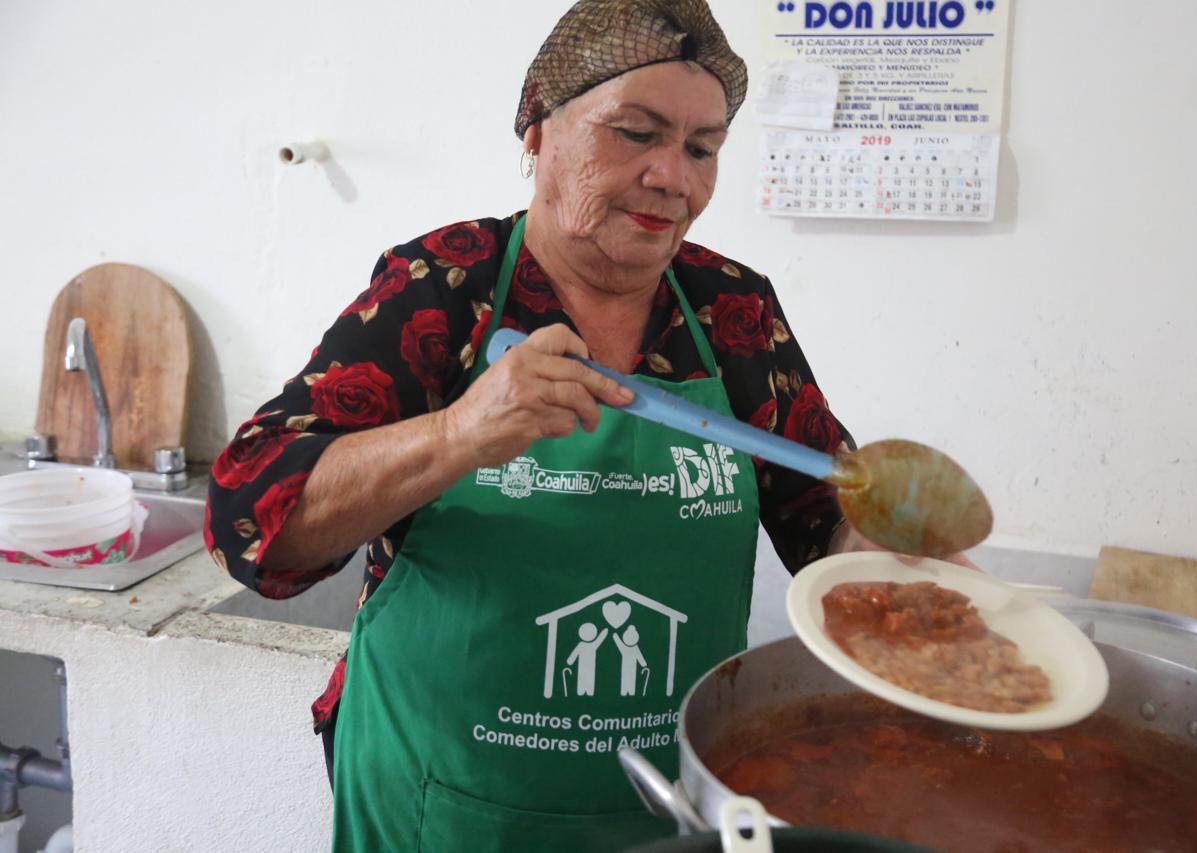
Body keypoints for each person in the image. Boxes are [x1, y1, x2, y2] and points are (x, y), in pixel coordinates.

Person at [205, 1, 867, 849]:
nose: (677, 177)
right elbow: (247, 521)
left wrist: (888, 550)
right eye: (636, 133)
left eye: (703, 149)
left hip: (672, 803)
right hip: (442, 796)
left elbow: (828, 518)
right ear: (536, 132)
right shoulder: (444, 286)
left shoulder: (730, 306)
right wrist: (459, 434)